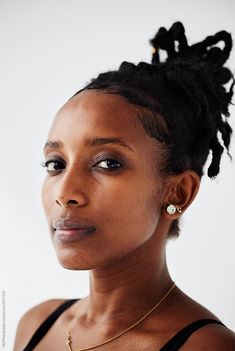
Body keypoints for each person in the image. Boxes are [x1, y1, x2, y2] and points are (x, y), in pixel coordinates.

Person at [14, 21, 235, 351]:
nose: (64, 193)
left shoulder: (206, 346)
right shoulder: (35, 326)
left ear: (178, 192)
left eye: (108, 163)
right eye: (55, 164)